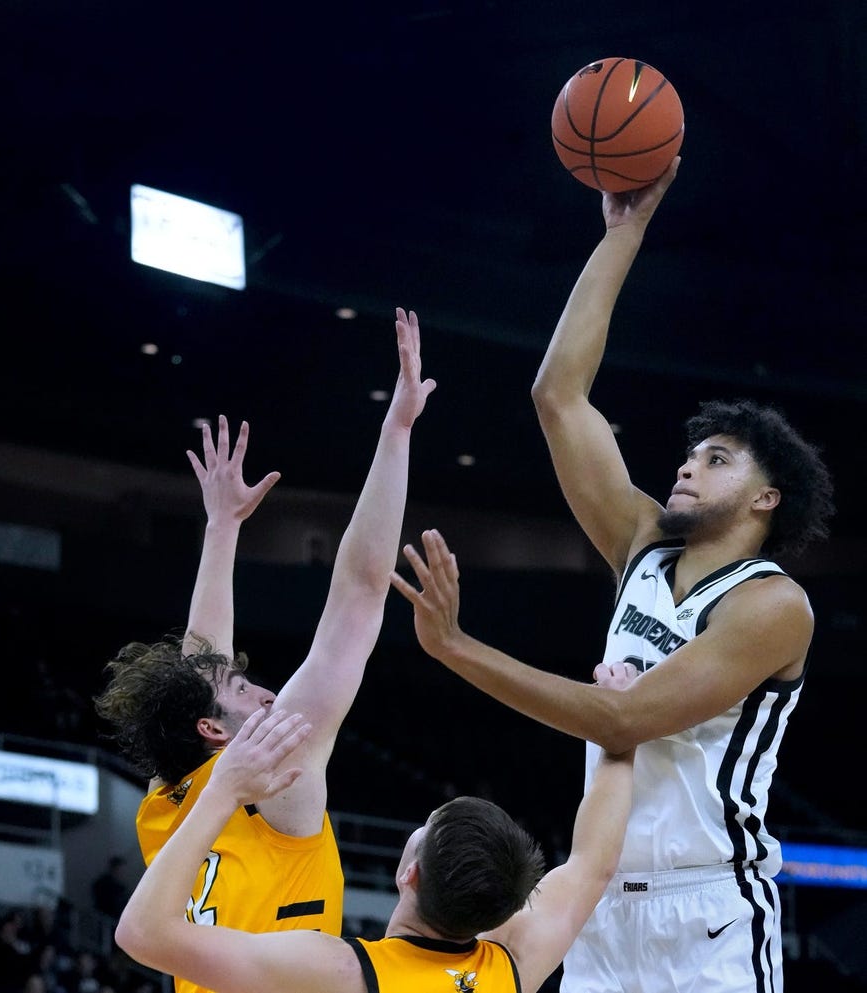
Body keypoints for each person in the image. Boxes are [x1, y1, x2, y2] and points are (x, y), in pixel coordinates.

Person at [390, 157, 836, 993]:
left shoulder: (775, 607)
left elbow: (623, 715)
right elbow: (558, 394)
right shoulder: (641, 541)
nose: (687, 466)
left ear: (767, 497)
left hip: (705, 913)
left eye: (717, 458)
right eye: (691, 451)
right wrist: (623, 231)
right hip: (591, 902)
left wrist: (456, 649)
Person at [94, 308, 434, 981]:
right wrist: (395, 433)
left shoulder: (170, 798)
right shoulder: (285, 772)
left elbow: (200, 665)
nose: (263, 685)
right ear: (213, 728)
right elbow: (360, 595)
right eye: (242, 687)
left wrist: (222, 529)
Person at [114, 706, 636, 993]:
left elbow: (143, 934)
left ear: (408, 874)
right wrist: (621, 734)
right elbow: (594, 863)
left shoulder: (340, 973)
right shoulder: (512, 966)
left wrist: (223, 791)